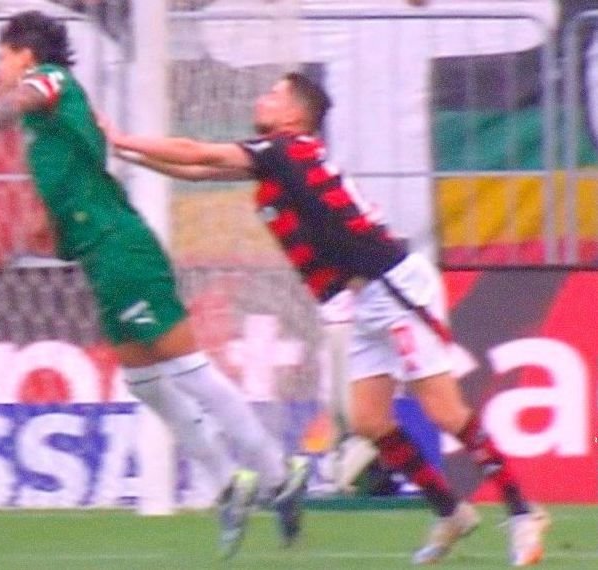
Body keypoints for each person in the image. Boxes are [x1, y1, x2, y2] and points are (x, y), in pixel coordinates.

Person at [104, 71, 551, 567]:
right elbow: (194, 171)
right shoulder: (276, 160)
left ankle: (523, 511)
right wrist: (125, 154)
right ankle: (451, 513)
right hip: (364, 300)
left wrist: (120, 137)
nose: (262, 99)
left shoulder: (286, 149)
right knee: (369, 420)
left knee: (444, 410)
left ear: (296, 115)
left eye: (274, 94)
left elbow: (197, 153)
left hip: (393, 284)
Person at [0, 11, 309, 557]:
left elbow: (27, 95)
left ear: (25, 55)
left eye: (2, 56)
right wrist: (49, 227)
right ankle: (230, 484)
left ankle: (276, 474)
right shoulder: (43, 132)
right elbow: (67, 181)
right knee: (144, 381)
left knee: (189, 369)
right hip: (100, 255)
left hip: (122, 250)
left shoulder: (50, 82)